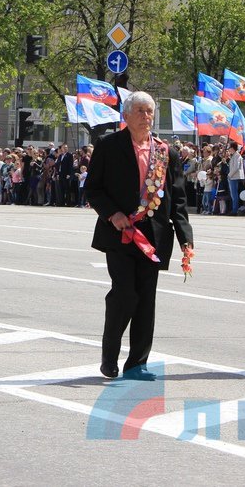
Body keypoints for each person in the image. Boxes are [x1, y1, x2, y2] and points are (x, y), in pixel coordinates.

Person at [84, 91, 193, 381]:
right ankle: (110, 356)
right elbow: (93, 189)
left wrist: (185, 237)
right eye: (141, 111)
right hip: (120, 233)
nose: (147, 117)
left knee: (146, 300)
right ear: (127, 115)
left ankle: (137, 363)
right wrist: (113, 214)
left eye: (150, 112)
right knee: (124, 294)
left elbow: (177, 197)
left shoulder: (164, 152)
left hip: (154, 237)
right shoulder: (109, 146)